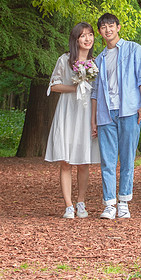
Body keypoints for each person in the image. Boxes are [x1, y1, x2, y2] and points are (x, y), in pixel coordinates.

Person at [90, 12, 141, 219]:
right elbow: (95, 92)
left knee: (127, 159)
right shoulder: (99, 59)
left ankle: (124, 202)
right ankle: (109, 204)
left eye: (111, 26)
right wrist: (93, 119)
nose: (108, 30)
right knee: (107, 161)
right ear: (100, 32)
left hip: (129, 111)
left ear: (118, 27)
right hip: (106, 114)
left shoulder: (134, 49)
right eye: (103, 27)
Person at [44, 21, 100, 219]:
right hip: (68, 110)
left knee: (84, 161)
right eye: (83, 35)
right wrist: (75, 87)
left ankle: (81, 202)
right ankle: (68, 205)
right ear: (76, 39)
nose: (87, 39)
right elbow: (54, 86)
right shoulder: (65, 60)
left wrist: (95, 120)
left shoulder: (95, 63)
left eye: (90, 35)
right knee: (66, 161)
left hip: (86, 114)